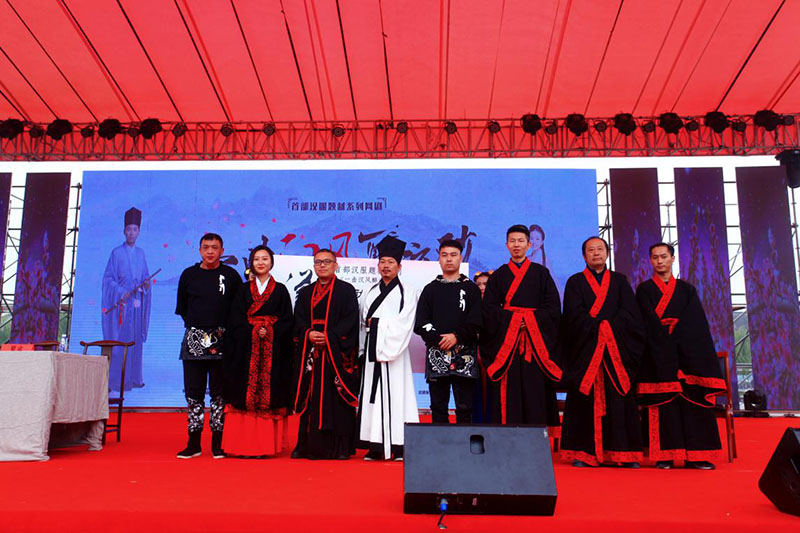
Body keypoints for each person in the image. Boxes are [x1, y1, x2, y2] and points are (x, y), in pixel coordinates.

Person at [635, 242, 726, 470]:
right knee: (663, 404)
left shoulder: (687, 290)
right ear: (650, 261)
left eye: (664, 256)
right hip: (657, 354)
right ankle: (664, 455)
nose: (660, 261)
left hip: (688, 355)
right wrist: (664, 340)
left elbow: (696, 323)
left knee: (693, 401)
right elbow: (645, 322)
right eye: (655, 257)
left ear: (672, 259)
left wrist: (675, 335)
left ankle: (697, 456)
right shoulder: (644, 290)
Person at [560, 236, 645, 467]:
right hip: (586, 352)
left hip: (616, 350)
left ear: (607, 253)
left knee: (620, 401)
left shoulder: (619, 281)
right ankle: (583, 452)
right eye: (591, 250)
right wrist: (597, 329)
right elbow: (573, 315)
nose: (596, 253)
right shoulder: (575, 282)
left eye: (600, 249)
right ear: (584, 255)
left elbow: (630, 313)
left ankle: (624, 454)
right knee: (583, 401)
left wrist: (608, 329)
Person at [481, 225, 563, 429]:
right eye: (512, 241)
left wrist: (530, 319)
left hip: (535, 345)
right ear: (507, 245)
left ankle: (537, 439)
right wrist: (515, 320)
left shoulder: (541, 274)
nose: (516, 245)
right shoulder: (498, 276)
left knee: (536, 391)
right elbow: (489, 310)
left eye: (521, 241)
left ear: (528, 244)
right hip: (507, 346)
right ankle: (508, 438)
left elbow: (553, 308)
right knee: (509, 393)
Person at [175, 233, 242, 459]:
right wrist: (199, 330)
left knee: (219, 394)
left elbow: (238, 309)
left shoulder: (231, 276)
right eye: (206, 247)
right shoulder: (188, 275)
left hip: (223, 341)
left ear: (222, 251)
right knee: (193, 394)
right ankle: (193, 443)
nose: (210, 251)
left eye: (215, 247)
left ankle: (218, 443)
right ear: (199, 250)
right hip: (194, 339)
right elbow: (183, 308)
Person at [224, 246, 294, 458]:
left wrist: (270, 330)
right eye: (256, 259)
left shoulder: (280, 290)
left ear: (271, 262)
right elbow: (235, 319)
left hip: (273, 352)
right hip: (246, 350)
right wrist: (254, 330)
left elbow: (287, 320)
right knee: (243, 393)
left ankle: (266, 446)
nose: (261, 263)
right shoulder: (243, 290)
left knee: (271, 394)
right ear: (251, 263)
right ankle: (242, 445)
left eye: (265, 259)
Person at [293, 248, 361, 460]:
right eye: (318, 262)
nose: (322, 265)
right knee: (311, 396)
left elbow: (351, 320)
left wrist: (330, 336)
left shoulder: (346, 290)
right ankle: (306, 446)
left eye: (327, 262)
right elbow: (298, 320)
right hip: (312, 353)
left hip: (335, 354)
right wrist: (308, 333)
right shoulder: (305, 293)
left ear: (336, 265)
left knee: (337, 399)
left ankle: (340, 448)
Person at [357, 236, 419, 460]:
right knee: (372, 397)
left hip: (395, 353)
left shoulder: (408, 292)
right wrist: (364, 349)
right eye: (382, 261)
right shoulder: (369, 291)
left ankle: (399, 445)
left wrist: (379, 330)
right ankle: (375, 445)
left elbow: (405, 323)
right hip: (372, 352)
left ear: (399, 266)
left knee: (397, 396)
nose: (386, 266)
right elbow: (363, 324)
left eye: (391, 262)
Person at [414, 240, 482, 424]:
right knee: (438, 406)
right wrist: (439, 339)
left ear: (461, 258)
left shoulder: (471, 289)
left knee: (465, 407)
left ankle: (465, 442)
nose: (449, 259)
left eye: (453, 255)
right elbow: (421, 323)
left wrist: (457, 336)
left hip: (464, 355)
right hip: (437, 353)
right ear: (439, 259)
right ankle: (440, 441)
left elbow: (476, 321)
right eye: (444, 255)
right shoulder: (430, 289)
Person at [101, 207, 152, 391]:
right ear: (124, 231)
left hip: (136, 306)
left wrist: (145, 285)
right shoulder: (116, 253)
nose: (131, 232)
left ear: (139, 232)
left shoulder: (141, 253)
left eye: (135, 229)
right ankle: (117, 381)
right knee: (120, 342)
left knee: (135, 341)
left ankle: (134, 379)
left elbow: (145, 277)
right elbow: (108, 279)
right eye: (128, 229)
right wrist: (120, 291)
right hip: (122, 306)